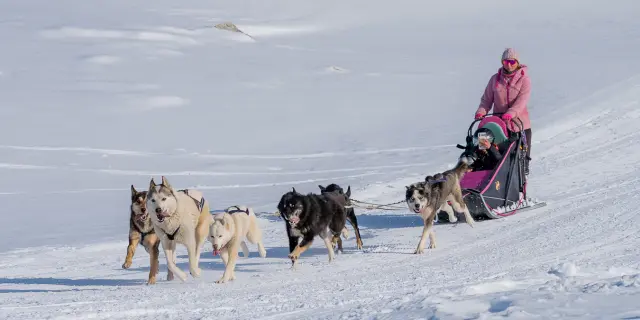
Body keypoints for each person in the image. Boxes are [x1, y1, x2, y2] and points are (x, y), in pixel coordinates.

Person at [475, 48, 532, 175]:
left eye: (512, 62)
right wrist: (481, 111)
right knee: (484, 148)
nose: (509, 65)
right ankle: (481, 178)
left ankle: (519, 182)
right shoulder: (495, 79)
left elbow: (521, 101)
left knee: (519, 160)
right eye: (506, 62)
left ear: (517, 63)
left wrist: (511, 113)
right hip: (499, 125)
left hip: (519, 125)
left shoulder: (524, 80)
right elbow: (486, 100)